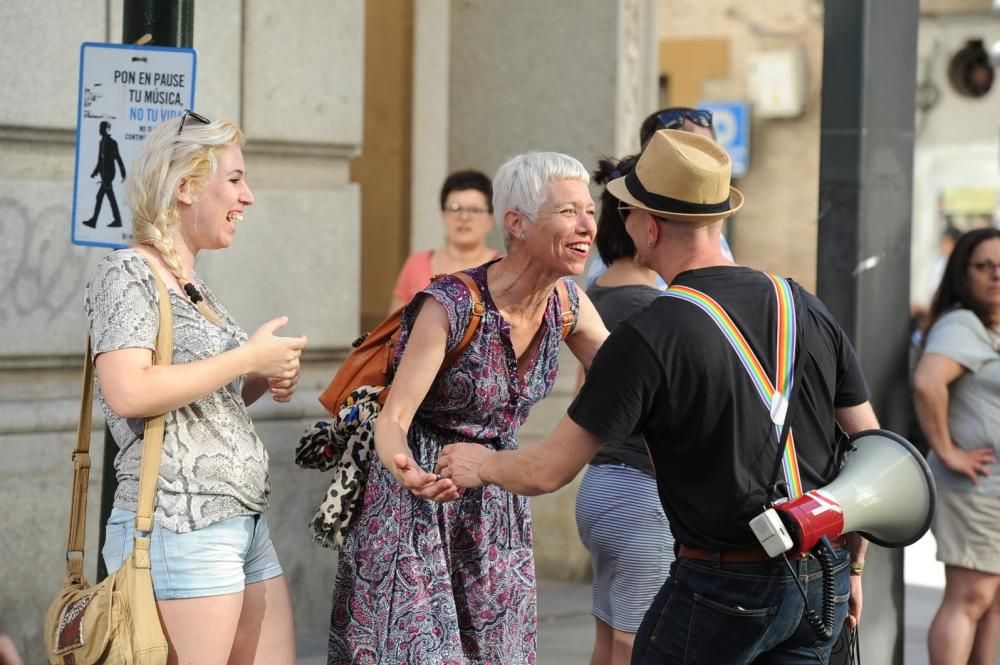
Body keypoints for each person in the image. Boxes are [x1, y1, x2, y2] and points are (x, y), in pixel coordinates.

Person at [438, 130, 877, 664]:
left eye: (625, 211)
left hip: (722, 583)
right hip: (819, 574)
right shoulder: (801, 303)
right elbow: (871, 451)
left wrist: (480, 463)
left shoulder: (650, 334)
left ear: (648, 226)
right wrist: (851, 567)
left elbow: (545, 472)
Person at [327, 152, 609, 663]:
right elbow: (393, 419)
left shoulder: (569, 302)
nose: (587, 225)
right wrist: (407, 472)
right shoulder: (451, 304)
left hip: (496, 502)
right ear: (517, 223)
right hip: (418, 502)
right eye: (569, 212)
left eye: (590, 211)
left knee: (496, 652)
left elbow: (627, 381)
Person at [84, 111, 307, 665]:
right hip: (177, 526)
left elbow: (199, 399)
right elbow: (130, 392)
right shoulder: (127, 274)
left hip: (240, 521)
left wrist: (258, 374)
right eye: (234, 179)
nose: (248, 196)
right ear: (185, 187)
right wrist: (244, 356)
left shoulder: (192, 286)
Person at [573, 153, 672, 665]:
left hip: (600, 485)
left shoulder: (595, 294)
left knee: (610, 637)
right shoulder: (650, 306)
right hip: (641, 491)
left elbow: (582, 391)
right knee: (640, 644)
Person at [913, 228, 1000, 665]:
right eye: (984, 266)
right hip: (974, 489)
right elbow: (928, 383)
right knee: (970, 598)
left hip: (991, 489)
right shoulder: (961, 323)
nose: (996, 275)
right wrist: (947, 450)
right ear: (963, 272)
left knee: (992, 605)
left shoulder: (989, 329)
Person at [586, 106, 731, 288]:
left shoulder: (717, 245)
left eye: (710, 153)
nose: (703, 168)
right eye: (688, 155)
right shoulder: (627, 256)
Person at [388, 169, 501, 311]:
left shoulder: (503, 268)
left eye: (474, 210)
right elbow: (394, 328)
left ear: (491, 219)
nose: (464, 217)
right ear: (443, 215)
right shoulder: (416, 264)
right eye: (455, 208)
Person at [82, 120, 127, 228]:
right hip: (103, 174)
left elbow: (118, 158)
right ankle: (116, 220)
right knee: (106, 196)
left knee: (104, 196)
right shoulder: (101, 142)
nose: (99, 130)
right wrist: (95, 172)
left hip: (109, 174)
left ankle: (98, 221)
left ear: (106, 129)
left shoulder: (112, 143)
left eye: (102, 128)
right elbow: (100, 160)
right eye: (99, 128)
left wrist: (123, 173)